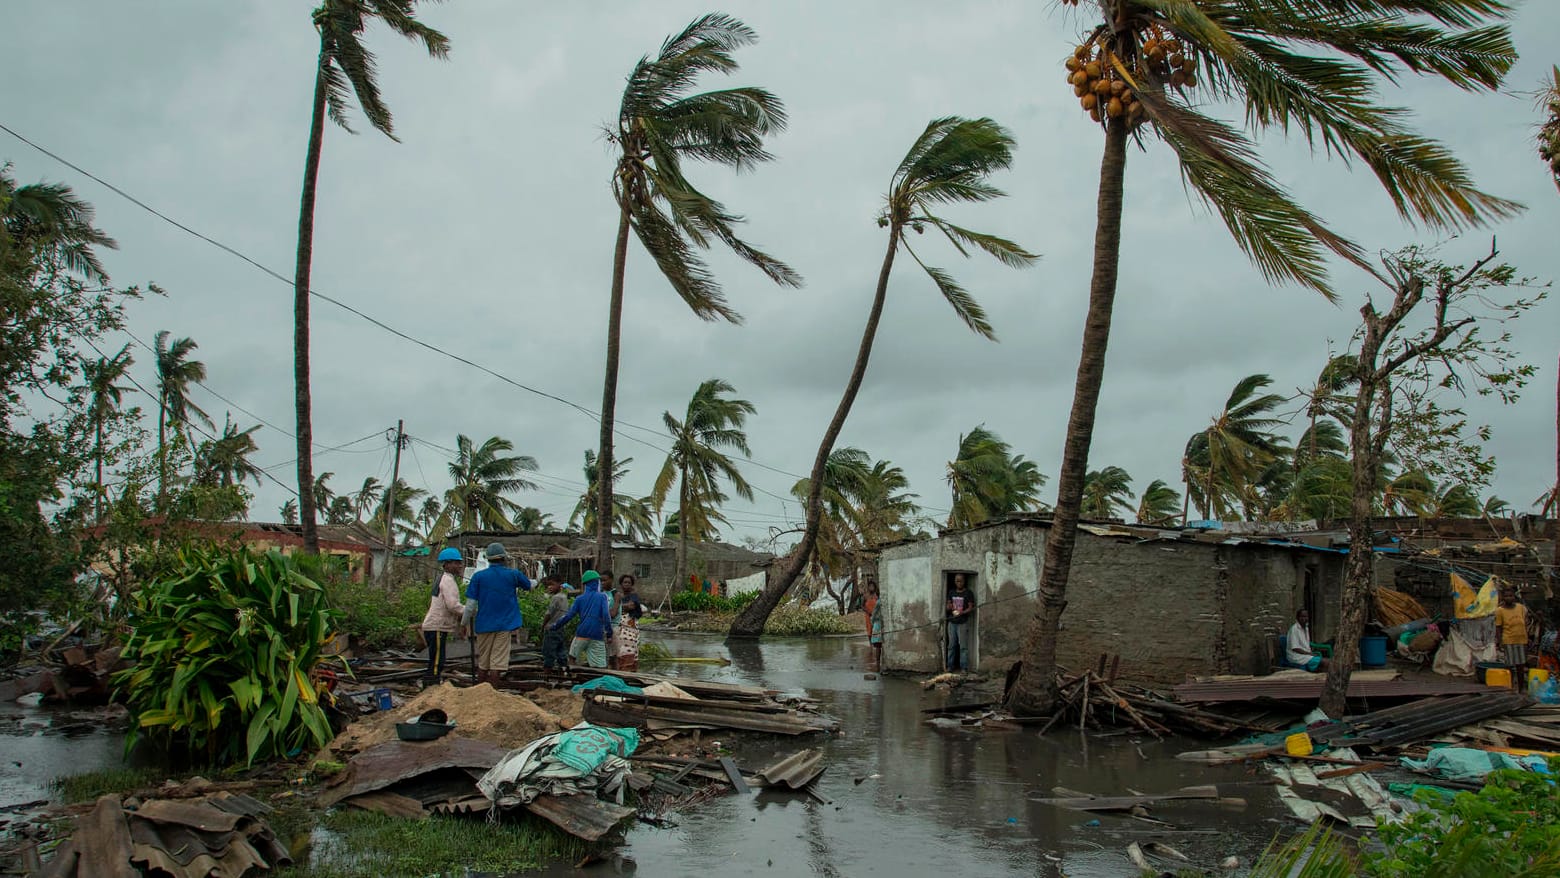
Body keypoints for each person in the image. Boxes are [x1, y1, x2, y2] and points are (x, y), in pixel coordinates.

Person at [462, 542, 532, 686]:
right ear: (504, 558)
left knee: (483, 661)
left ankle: (479, 692)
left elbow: (470, 606)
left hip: (484, 624)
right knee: (497, 662)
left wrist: (463, 623)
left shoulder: (478, 577)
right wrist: (537, 582)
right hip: (504, 624)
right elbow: (529, 585)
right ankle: (493, 693)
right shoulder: (513, 575)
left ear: (488, 559)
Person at [419, 547, 466, 685]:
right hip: (437, 626)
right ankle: (431, 686)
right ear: (447, 564)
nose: (460, 566)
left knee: (437, 659)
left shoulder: (444, 579)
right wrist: (469, 610)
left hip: (436, 626)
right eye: (456, 563)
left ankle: (431, 684)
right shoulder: (447, 581)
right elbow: (452, 605)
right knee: (437, 661)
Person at [551, 569, 613, 669]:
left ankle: (572, 677)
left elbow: (568, 616)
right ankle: (595, 682)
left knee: (572, 657)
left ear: (585, 584)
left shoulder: (579, 599)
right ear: (597, 583)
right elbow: (606, 616)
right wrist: (609, 633)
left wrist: (555, 626)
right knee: (599, 666)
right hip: (597, 634)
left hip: (582, 633)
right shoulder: (602, 597)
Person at [1496, 589, 1530, 685]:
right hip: (1508, 640)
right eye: (1506, 596)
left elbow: (1525, 621)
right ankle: (1509, 686)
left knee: (1521, 665)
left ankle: (1521, 688)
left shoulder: (1521, 608)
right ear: (1503, 598)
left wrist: (1527, 636)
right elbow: (1498, 627)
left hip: (1522, 640)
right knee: (1510, 665)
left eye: (1511, 596)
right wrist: (1500, 642)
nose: (1509, 598)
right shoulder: (1500, 611)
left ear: (1514, 597)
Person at [539, 576, 571, 676]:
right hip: (561, 628)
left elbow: (549, 614)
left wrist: (543, 625)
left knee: (549, 652)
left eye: (552, 584)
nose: (550, 587)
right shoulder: (564, 597)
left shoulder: (556, 598)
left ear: (559, 584)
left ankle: (546, 675)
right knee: (561, 652)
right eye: (548, 585)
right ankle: (563, 674)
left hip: (552, 628)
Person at [946, 574, 975, 672]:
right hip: (952, 623)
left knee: (963, 647)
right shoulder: (951, 592)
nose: (959, 583)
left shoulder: (968, 593)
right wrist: (949, 607)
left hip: (962, 623)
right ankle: (950, 666)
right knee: (951, 646)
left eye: (961, 581)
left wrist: (962, 612)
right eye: (957, 581)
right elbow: (948, 606)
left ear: (964, 581)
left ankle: (964, 668)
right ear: (955, 582)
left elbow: (971, 608)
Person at [615, 574, 645, 671]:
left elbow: (631, 606)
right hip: (620, 628)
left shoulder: (633, 596)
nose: (627, 584)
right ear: (621, 584)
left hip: (630, 629)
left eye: (629, 583)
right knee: (620, 650)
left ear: (632, 585)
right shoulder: (618, 595)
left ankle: (629, 672)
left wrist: (618, 607)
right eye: (625, 582)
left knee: (629, 650)